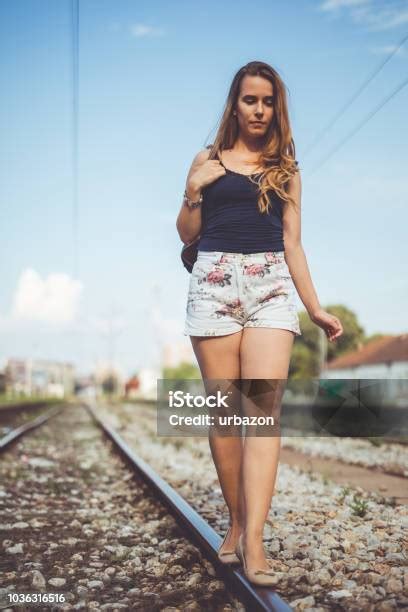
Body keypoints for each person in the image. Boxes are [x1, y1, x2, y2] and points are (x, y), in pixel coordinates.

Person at [176, 60, 343, 586]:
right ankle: (236, 521)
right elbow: (185, 235)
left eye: (268, 101)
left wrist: (313, 306)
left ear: (277, 108)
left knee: (262, 412)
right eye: (251, 100)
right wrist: (193, 189)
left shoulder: (286, 169)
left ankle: (254, 540)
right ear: (235, 104)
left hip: (271, 286)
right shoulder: (207, 159)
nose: (260, 109)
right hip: (214, 283)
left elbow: (293, 243)